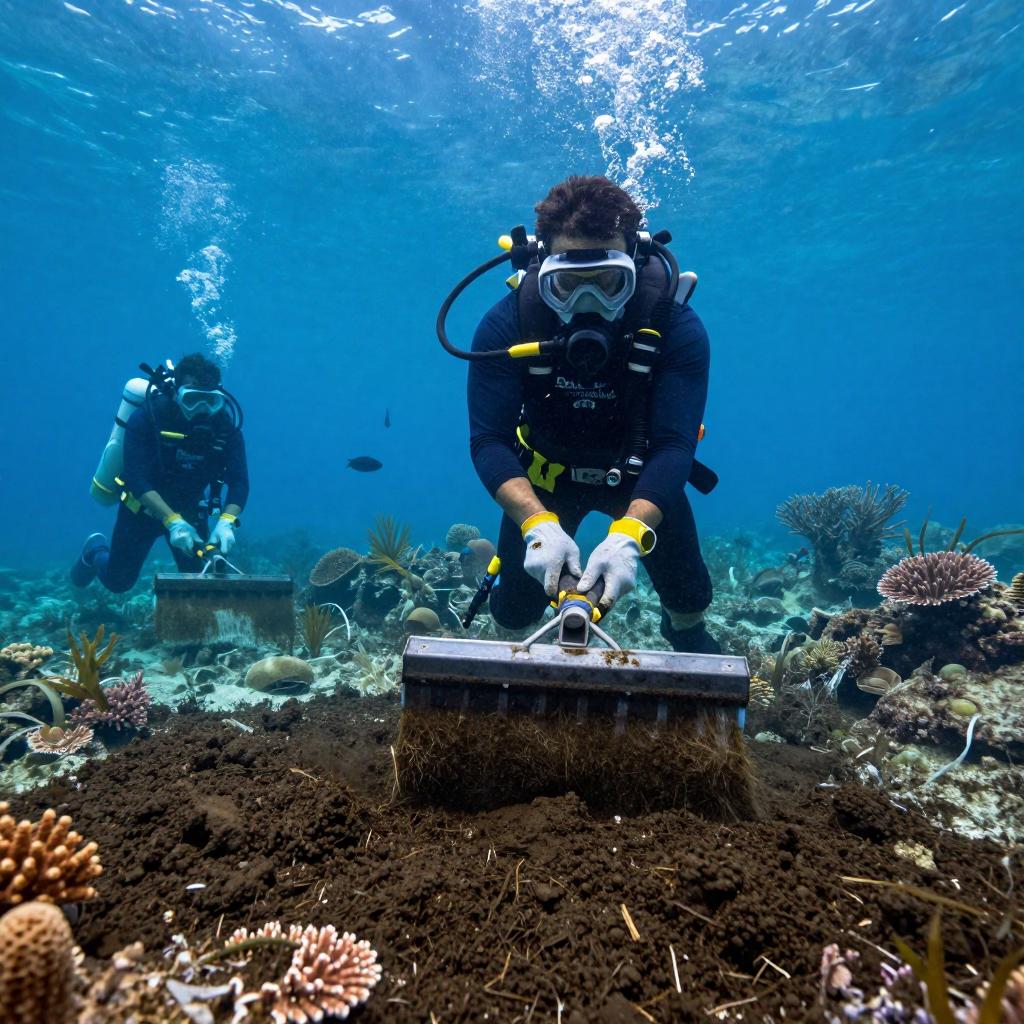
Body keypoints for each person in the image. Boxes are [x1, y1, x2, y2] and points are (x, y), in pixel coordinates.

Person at [467, 175, 720, 653]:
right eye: (566, 286)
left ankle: (682, 631)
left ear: (636, 263)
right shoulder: (509, 323)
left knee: (690, 604)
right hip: (542, 478)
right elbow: (488, 440)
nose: (590, 305)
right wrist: (537, 525)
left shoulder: (676, 327)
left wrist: (628, 534)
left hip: (642, 477)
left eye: (609, 283)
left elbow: (675, 446)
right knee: (512, 616)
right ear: (542, 267)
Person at [71, 352, 249, 593]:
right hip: (140, 512)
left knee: (201, 584)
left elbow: (239, 481)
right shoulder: (148, 418)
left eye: (210, 401)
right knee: (118, 582)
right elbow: (137, 479)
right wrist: (172, 521)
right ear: (176, 393)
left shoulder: (225, 427)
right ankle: (94, 551)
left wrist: (227, 522)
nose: (202, 410)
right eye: (193, 399)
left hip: (190, 513)